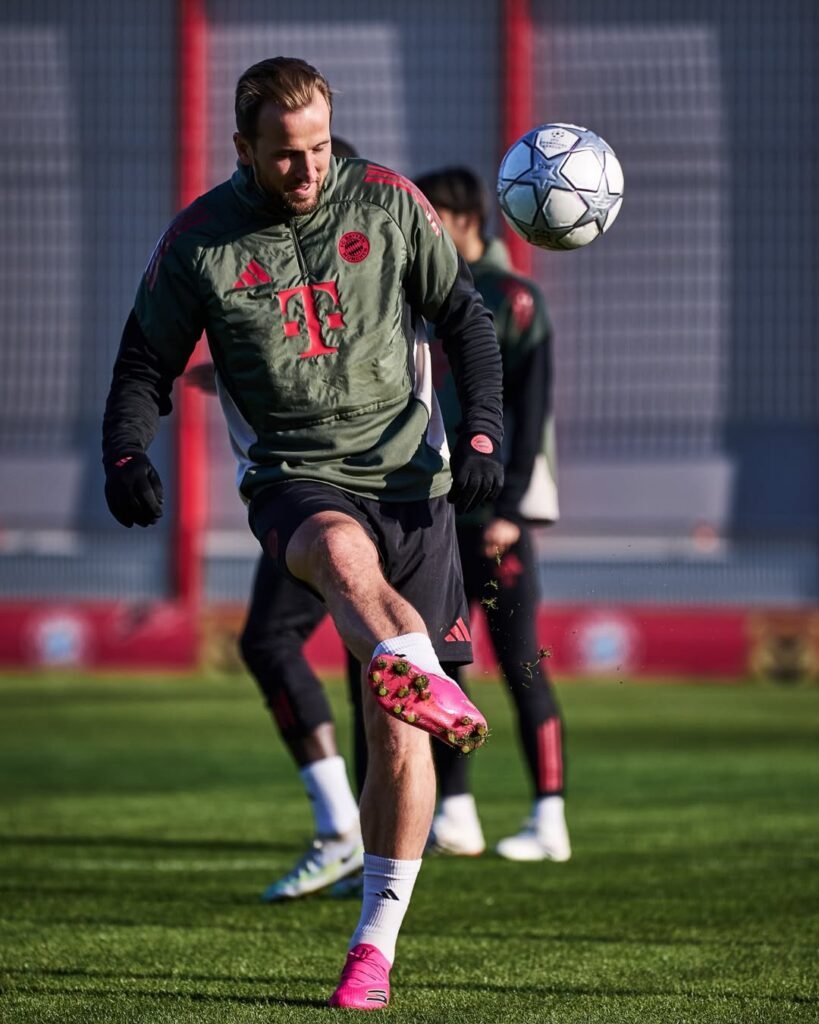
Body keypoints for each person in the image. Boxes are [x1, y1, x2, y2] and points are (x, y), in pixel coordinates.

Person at [101, 58, 504, 1011]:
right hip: (295, 478)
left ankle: (373, 948)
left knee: (396, 735)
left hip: (414, 485)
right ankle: (416, 666)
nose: (308, 169)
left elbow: (464, 317)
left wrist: (484, 430)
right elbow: (143, 362)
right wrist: (125, 452)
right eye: (285, 154)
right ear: (242, 147)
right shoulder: (199, 241)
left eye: (319, 147)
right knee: (338, 554)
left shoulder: (389, 203)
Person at [185, 137, 368, 904]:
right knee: (382, 654)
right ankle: (380, 829)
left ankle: (349, 831)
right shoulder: (350, 256)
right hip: (365, 489)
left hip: (331, 490)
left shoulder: (348, 253)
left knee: (289, 643)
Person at [414, 167, 571, 863]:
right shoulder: (419, 291)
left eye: (431, 217)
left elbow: (531, 415)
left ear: (463, 219)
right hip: (437, 520)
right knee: (446, 667)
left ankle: (549, 817)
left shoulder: (516, 300)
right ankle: (456, 813)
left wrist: (512, 508)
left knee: (522, 667)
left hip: (496, 524)